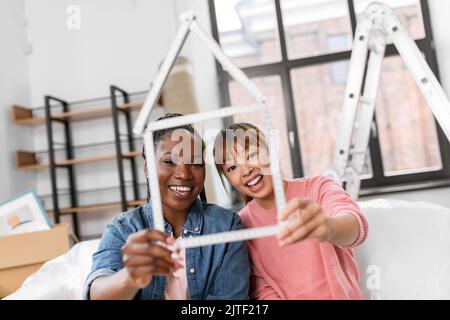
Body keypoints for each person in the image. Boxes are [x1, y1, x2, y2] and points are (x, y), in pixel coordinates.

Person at [84, 113, 250, 300]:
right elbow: (97, 293)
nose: (183, 173)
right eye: (170, 161)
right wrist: (129, 277)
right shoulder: (123, 229)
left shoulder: (226, 226)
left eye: (195, 163)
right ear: (148, 168)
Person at [213, 122, 369, 299]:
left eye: (252, 154)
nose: (246, 170)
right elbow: (261, 289)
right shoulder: (241, 226)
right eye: (232, 168)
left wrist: (328, 228)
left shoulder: (317, 188)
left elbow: (356, 225)